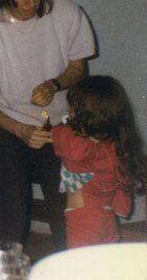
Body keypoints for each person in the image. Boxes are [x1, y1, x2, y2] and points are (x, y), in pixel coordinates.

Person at [0, 0, 96, 247]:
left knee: (66, 208)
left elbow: (78, 68)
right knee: (12, 210)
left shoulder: (68, 14)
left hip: (60, 125)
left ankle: (70, 270)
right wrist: (21, 130)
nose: (31, 2)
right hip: (9, 125)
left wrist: (54, 84)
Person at [50, 75, 147, 248]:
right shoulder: (113, 147)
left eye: (71, 106)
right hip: (107, 217)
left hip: (83, 217)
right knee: (105, 260)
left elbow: (60, 135)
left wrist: (57, 128)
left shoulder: (80, 146)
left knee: (81, 261)